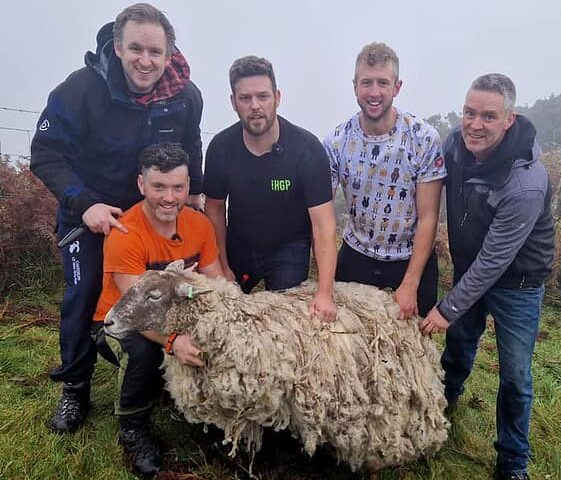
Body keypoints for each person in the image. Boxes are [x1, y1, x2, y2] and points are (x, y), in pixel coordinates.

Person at [30, 3, 205, 434]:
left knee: (171, 292)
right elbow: (44, 152)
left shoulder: (186, 96)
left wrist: (194, 193)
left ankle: (161, 373)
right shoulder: (81, 89)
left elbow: (191, 144)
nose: (146, 61)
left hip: (153, 215)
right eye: (136, 49)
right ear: (117, 47)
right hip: (93, 210)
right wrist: (83, 203)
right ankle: (74, 388)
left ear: (170, 54)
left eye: (155, 52)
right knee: (85, 290)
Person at [419, 73, 555, 480]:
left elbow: (496, 259)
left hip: (518, 282)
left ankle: (512, 460)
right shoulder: (454, 147)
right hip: (468, 266)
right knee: (459, 346)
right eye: (469, 112)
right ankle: (445, 404)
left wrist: (448, 307)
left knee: (515, 374)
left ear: (508, 120)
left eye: (488, 116)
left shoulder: (525, 183)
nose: (475, 124)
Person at [94, 143, 222, 475]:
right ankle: (133, 425)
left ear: (189, 186)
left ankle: (206, 411)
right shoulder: (126, 232)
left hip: (178, 315)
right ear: (141, 185)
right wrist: (173, 342)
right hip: (121, 322)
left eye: (178, 187)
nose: (169, 197)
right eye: (159, 187)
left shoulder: (200, 225)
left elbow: (217, 281)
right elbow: (137, 311)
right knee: (145, 353)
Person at [203, 55, 337, 322]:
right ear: (233, 102)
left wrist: (325, 292)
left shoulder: (307, 150)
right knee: (222, 315)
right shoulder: (221, 148)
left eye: (263, 97)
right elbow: (215, 209)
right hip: (240, 244)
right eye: (245, 98)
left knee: (286, 321)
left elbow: (324, 226)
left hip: (289, 247)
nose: (255, 106)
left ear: (277, 97)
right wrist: (222, 266)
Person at [323, 42, 445, 320]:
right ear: (355, 86)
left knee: (413, 347)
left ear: (397, 87)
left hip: (410, 257)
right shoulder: (336, 142)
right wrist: (325, 284)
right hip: (358, 254)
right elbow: (324, 215)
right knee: (347, 341)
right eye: (367, 83)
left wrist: (410, 284)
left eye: (383, 82)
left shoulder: (424, 139)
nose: (374, 92)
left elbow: (428, 217)